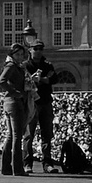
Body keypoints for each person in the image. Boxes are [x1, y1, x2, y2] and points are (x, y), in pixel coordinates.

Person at [0, 42, 32, 176]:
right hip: (14, 103)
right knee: (17, 136)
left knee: (11, 136)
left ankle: (6, 167)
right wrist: (15, 92)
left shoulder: (14, 66)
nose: (20, 57)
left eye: (22, 54)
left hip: (9, 102)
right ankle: (17, 169)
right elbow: (1, 81)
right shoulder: (11, 66)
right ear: (12, 55)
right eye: (17, 54)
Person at [27, 44, 57, 173]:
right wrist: (45, 79)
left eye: (40, 49)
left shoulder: (47, 64)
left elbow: (55, 78)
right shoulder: (26, 65)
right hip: (32, 103)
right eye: (35, 49)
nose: (38, 51)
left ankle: (47, 164)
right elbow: (26, 81)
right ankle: (27, 163)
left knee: (47, 134)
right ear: (30, 50)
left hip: (45, 101)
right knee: (29, 134)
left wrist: (42, 80)